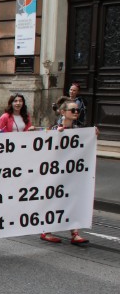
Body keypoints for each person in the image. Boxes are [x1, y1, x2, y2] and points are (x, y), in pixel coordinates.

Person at [40, 100, 95, 246]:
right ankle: (46, 230)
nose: (76, 113)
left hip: (72, 173)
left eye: (77, 110)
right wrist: (55, 135)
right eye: (73, 110)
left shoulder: (79, 128)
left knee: (73, 200)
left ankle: (74, 232)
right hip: (56, 173)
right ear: (63, 112)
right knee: (55, 200)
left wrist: (93, 135)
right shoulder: (55, 128)